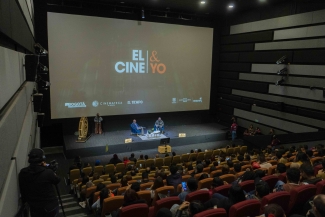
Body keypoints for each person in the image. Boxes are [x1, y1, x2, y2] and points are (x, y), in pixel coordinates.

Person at [19, 148, 60, 217]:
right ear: (42, 159)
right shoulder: (48, 172)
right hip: (50, 207)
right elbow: (57, 180)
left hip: (35, 209)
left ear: (29, 159)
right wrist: (50, 170)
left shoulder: (23, 173)